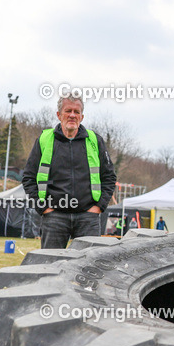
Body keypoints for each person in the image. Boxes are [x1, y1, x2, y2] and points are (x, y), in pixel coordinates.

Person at [22, 95, 117, 249]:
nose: (72, 115)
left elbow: (109, 177)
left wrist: (98, 207)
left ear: (82, 116)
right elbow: (28, 178)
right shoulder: (44, 140)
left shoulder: (94, 141)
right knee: (50, 266)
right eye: (68, 111)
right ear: (59, 115)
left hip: (88, 216)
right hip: (54, 217)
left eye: (76, 112)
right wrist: (43, 208)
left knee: (89, 267)